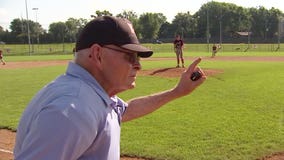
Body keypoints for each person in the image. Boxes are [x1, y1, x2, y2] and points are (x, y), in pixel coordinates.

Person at [14, 16, 206, 160]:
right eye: (130, 56)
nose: (138, 65)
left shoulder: (90, 95)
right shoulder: (72, 109)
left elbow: (125, 111)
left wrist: (177, 92)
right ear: (98, 54)